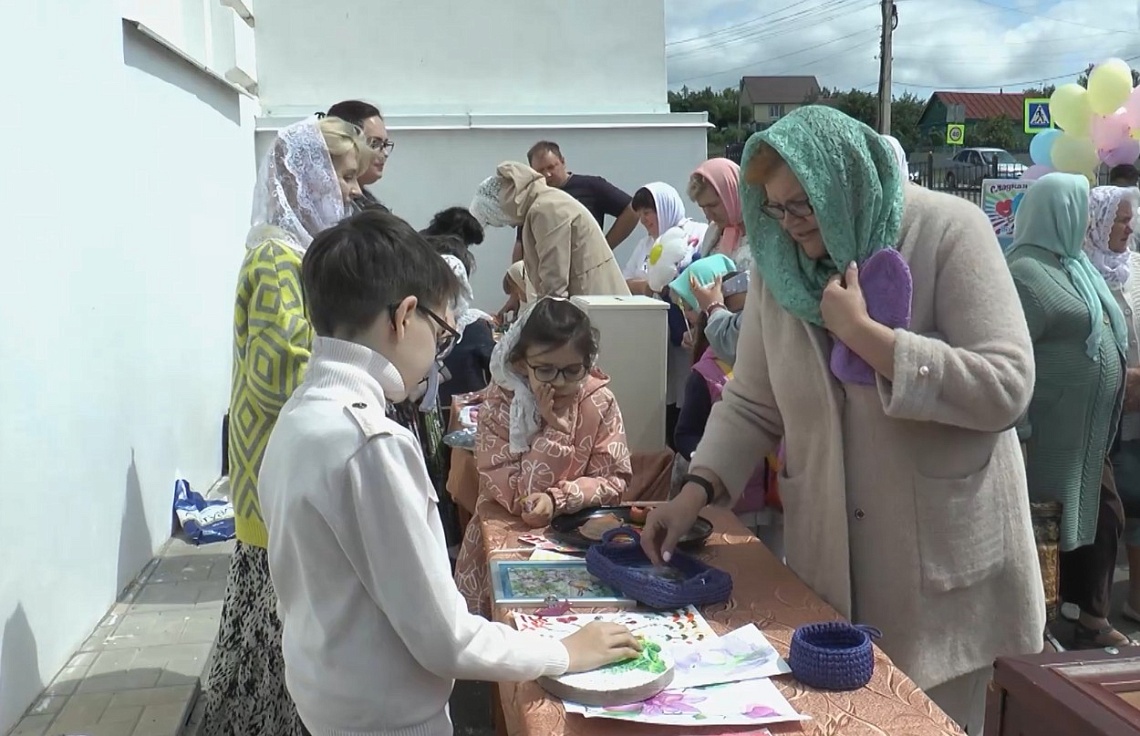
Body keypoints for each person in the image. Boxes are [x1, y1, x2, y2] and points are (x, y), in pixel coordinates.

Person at [640, 106, 1044, 735]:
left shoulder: (948, 232)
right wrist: (695, 491)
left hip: (940, 581)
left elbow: (1006, 386)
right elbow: (752, 400)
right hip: (829, 566)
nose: (790, 224)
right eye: (775, 208)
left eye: (801, 204)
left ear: (841, 180)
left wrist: (865, 336)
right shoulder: (781, 265)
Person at [259, 210, 641, 736]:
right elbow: (446, 638)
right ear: (404, 316)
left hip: (330, 698)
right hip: (389, 719)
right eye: (441, 333)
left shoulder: (300, 414)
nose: (438, 358)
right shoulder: (370, 443)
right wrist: (563, 652)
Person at [203, 116, 373, 736]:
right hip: (277, 465)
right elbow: (280, 369)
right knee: (275, 636)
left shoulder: (295, 253)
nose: (353, 192)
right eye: (345, 177)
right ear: (304, 181)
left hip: (282, 461)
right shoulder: (278, 258)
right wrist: (361, 368)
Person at [1009, 174, 1130, 649]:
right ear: (1055, 211)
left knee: (1104, 518)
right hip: (1046, 439)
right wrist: (1021, 429)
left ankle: (1088, 618)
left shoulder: (1075, 266)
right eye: (1077, 208)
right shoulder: (1023, 272)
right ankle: (1032, 630)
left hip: (1090, 436)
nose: (1084, 220)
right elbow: (1010, 354)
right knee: (1043, 531)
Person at [454, 298, 632, 615]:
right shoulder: (501, 404)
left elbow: (615, 479)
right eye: (546, 370)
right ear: (521, 362)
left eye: (572, 370)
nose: (560, 382)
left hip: (582, 548)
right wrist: (556, 432)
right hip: (505, 548)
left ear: (587, 362)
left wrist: (559, 498)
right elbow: (520, 498)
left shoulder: (599, 401)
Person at [470, 162, 630, 298]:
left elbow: (554, 282)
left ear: (502, 206)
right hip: (590, 299)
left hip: (594, 301)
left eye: (500, 220)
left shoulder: (545, 209)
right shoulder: (541, 204)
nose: (509, 225)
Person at [1091, 186, 1140, 625]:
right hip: (1106, 412)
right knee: (1114, 510)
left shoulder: (1136, 270)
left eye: (1129, 220)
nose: (1128, 227)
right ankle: (1093, 611)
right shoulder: (1084, 274)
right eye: (1120, 219)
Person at [516, 140, 639, 257]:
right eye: (540, 170)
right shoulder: (532, 198)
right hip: (548, 270)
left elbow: (632, 210)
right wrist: (517, 275)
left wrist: (604, 248)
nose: (547, 174)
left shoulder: (590, 186)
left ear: (563, 162)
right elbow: (521, 243)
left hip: (587, 267)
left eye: (551, 167)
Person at [622, 182, 707, 295]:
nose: (642, 221)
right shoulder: (645, 244)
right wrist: (645, 287)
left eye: (646, 213)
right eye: (640, 215)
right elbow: (623, 282)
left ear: (664, 209)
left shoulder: (699, 232)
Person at [687, 158, 752, 271]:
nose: (708, 215)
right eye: (703, 207)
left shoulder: (761, 232)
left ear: (732, 195)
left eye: (713, 205)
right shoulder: (713, 232)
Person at [326, 100, 393, 208]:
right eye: (375, 143)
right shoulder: (332, 208)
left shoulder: (369, 202)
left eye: (385, 144)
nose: (384, 153)